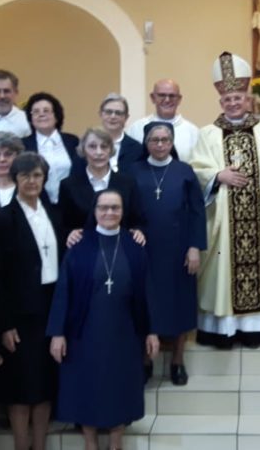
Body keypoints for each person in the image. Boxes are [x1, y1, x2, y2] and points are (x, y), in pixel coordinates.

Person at [190, 51, 260, 348]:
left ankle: (253, 330)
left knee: (257, 268)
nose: (233, 102)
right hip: (224, 224)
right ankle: (221, 330)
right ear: (220, 102)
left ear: (247, 98)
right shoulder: (207, 133)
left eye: (238, 97)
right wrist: (217, 175)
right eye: (228, 99)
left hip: (259, 220)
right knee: (223, 269)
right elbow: (196, 168)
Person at [47, 189, 160, 450]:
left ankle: (116, 443)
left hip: (124, 332)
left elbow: (147, 293)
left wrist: (151, 331)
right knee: (87, 385)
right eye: (104, 208)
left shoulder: (135, 246)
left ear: (123, 212)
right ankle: (90, 443)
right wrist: (57, 332)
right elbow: (63, 291)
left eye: (115, 208)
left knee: (120, 385)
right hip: (84, 333)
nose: (109, 213)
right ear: (94, 211)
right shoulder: (79, 245)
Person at [0, 153, 63, 450]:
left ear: (44, 178)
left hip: (51, 307)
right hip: (19, 315)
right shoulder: (3, 218)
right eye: (25, 176)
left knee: (46, 380)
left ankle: (40, 444)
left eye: (37, 176)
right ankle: (22, 444)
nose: (31, 181)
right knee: (20, 382)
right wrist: (5, 324)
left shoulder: (55, 213)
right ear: (15, 179)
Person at [128, 122, 206, 385]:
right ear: (146, 143)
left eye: (165, 140)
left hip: (179, 251)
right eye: (154, 140)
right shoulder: (133, 171)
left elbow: (197, 212)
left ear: (172, 143)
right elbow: (125, 211)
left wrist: (195, 247)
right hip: (144, 250)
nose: (160, 145)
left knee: (180, 303)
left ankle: (177, 360)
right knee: (145, 303)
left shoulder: (184, 172)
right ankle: (145, 360)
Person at [58, 127, 145, 233]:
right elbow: (63, 225)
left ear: (111, 150)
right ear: (83, 150)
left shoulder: (128, 183)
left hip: (119, 246)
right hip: (83, 246)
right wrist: (71, 233)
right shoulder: (68, 185)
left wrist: (138, 231)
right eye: (92, 147)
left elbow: (137, 221)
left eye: (104, 147)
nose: (99, 152)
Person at [21, 92, 81, 205]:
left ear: (56, 116)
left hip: (71, 204)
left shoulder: (72, 141)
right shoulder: (23, 145)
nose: (41, 114)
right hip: (37, 204)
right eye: (36, 112)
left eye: (46, 111)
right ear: (31, 118)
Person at [126, 79, 200, 163]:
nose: (167, 100)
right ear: (153, 98)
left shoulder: (193, 132)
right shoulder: (136, 128)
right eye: (162, 95)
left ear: (179, 99)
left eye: (172, 96)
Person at [99, 93, 143, 173]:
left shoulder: (137, 149)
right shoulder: (88, 146)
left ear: (126, 117)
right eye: (109, 112)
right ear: (101, 114)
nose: (113, 116)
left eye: (118, 113)